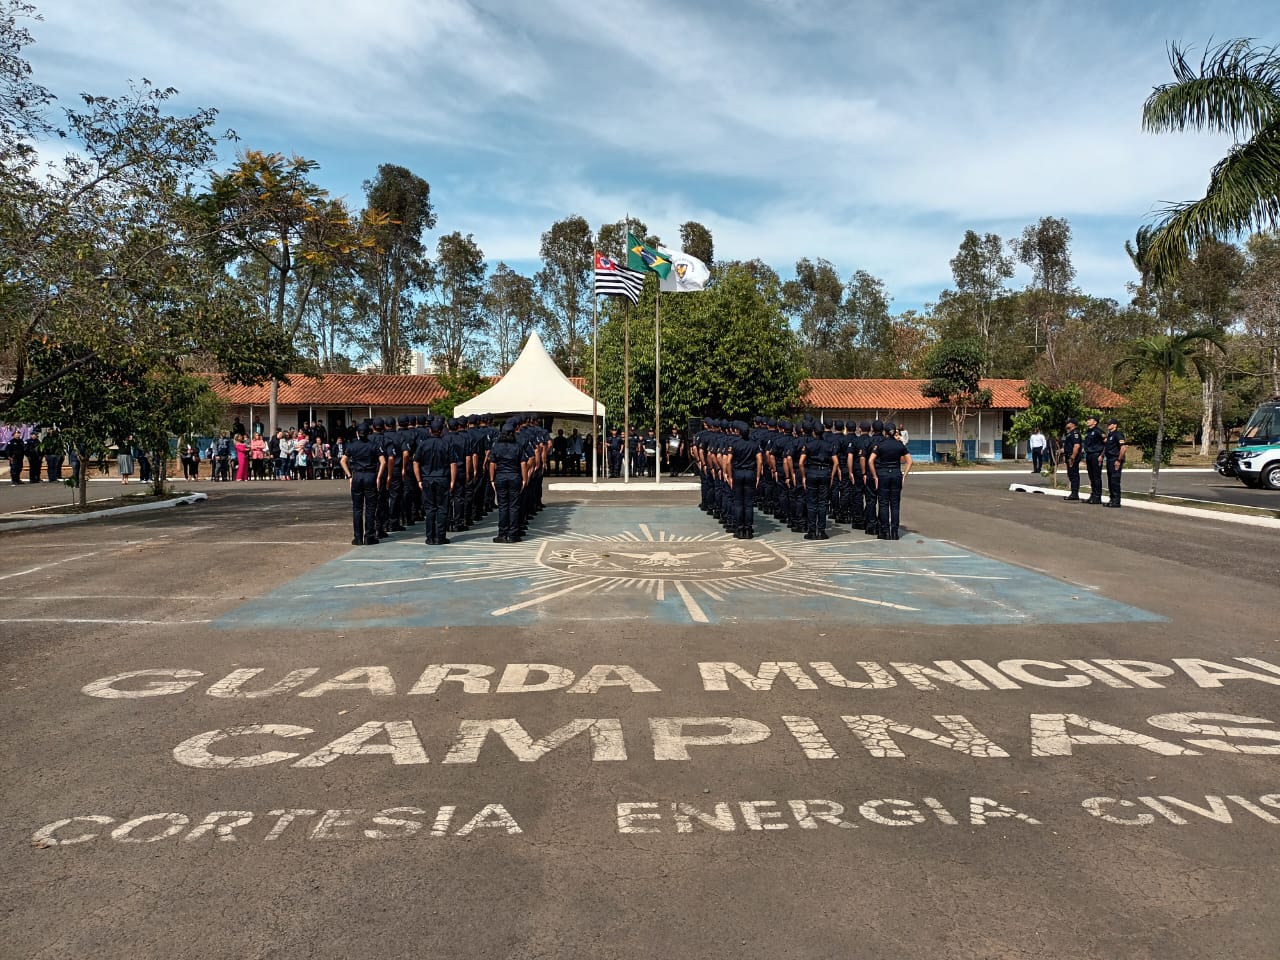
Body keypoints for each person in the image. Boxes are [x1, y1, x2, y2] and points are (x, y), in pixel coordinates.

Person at [868, 421, 912, 540]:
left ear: (885, 432)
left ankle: (885, 531)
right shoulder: (900, 445)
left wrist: (875, 476)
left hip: (883, 475)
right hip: (896, 474)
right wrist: (904, 475)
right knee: (895, 505)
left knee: (883, 504)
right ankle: (895, 532)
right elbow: (909, 461)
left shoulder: (880, 445)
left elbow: (870, 461)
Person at [341, 421, 382, 545]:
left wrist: (349, 476)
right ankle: (369, 536)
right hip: (370, 475)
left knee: (357, 508)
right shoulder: (373, 445)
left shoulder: (352, 445)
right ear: (369, 433)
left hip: (357, 475)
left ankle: (358, 537)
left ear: (357, 433)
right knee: (370, 508)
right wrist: (379, 477)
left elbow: (343, 461)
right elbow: (383, 461)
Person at [488, 421, 528, 542]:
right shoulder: (517, 446)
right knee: (514, 507)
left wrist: (491, 479)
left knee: (503, 506)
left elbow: (492, 464)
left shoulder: (496, 446)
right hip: (514, 476)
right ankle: (513, 534)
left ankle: (502, 533)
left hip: (500, 476)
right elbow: (523, 464)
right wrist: (524, 479)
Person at [798, 419, 837, 540]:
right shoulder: (829, 445)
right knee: (822, 503)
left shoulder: (809, 445)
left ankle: (811, 531)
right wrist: (831, 475)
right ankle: (821, 530)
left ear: (814, 432)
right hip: (825, 472)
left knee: (811, 503)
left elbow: (800, 463)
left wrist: (804, 476)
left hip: (812, 473)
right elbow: (836, 462)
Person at [1103, 418, 1127, 507]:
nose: (1108, 425)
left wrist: (1119, 460)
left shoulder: (1118, 434)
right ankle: (1112, 499)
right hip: (1109, 459)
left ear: (1115, 425)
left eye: (1110, 424)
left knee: (1115, 481)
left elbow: (1123, 448)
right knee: (1110, 481)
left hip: (1115, 459)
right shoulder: (1110, 435)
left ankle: (1116, 501)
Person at [1082, 415, 1105, 504]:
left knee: (1096, 477)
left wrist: (1102, 455)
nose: (1087, 421)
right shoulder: (1088, 432)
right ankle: (1093, 495)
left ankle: (1097, 497)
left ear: (1095, 422)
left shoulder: (1099, 431)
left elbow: (1106, 444)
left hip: (1096, 455)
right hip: (1089, 455)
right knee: (1091, 477)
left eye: (1089, 420)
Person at [1061, 418, 1083, 501]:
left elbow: (1076, 446)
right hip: (1069, 455)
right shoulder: (1070, 433)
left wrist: (1073, 457)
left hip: (1072, 457)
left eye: (1068, 423)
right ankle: (1073, 492)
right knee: (1071, 474)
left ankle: (1074, 493)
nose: (1067, 424)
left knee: (1074, 475)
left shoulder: (1075, 433)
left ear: (1073, 424)